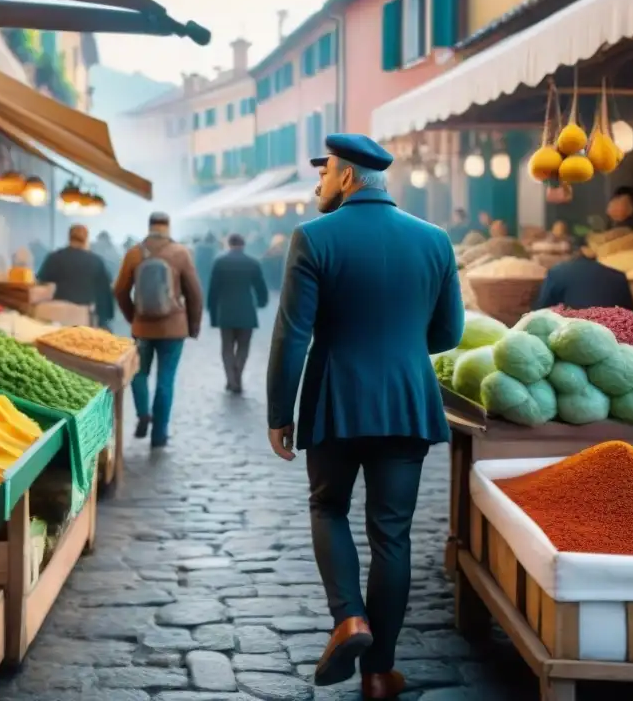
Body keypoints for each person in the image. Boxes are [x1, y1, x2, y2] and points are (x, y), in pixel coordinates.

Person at [266, 134, 463, 698]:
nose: (318, 183)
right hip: (406, 402)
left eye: (324, 173)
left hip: (336, 400)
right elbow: (447, 333)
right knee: (392, 533)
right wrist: (400, 344)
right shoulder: (434, 240)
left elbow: (293, 334)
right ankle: (379, 672)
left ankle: (349, 617)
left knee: (328, 506)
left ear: (348, 177)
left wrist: (281, 411)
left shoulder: (313, 237)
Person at [114, 212, 203, 449]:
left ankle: (143, 414)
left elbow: (120, 290)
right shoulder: (181, 253)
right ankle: (159, 435)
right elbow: (194, 293)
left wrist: (133, 316)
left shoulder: (134, 253)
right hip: (174, 329)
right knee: (166, 379)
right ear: (168, 227)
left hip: (142, 327)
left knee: (138, 373)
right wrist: (193, 326)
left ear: (149, 226)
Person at [208, 233, 269, 394]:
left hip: (225, 312)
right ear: (244, 245)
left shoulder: (220, 263)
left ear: (229, 244)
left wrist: (213, 314)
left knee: (227, 348)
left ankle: (231, 379)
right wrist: (262, 302)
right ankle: (238, 375)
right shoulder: (252, 263)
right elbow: (260, 287)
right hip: (246, 311)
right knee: (243, 347)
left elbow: (213, 291)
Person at [38, 225, 115, 330]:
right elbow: (105, 294)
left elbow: (41, 284)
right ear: (86, 240)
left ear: (69, 238)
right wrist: (105, 320)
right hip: (83, 320)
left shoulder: (54, 257)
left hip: (56, 318)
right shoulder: (96, 262)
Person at [534, 240, 633, 311]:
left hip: (571, 333)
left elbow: (541, 310)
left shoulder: (557, 272)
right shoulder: (618, 276)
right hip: (612, 335)